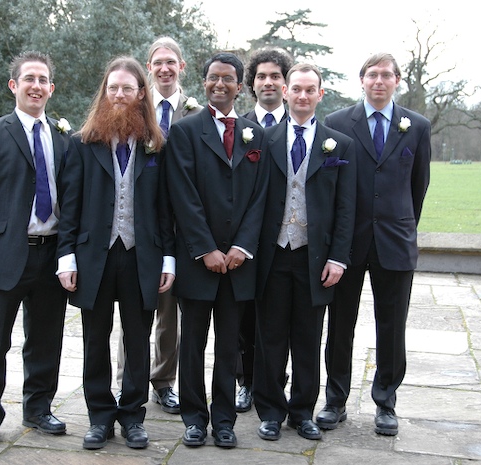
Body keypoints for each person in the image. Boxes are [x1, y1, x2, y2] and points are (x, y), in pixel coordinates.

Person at [56, 56, 174, 450]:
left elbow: (165, 210)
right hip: (96, 256)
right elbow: (70, 208)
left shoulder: (156, 146)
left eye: (127, 88)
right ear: (104, 93)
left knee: (138, 341)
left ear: (141, 93)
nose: (119, 95)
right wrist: (66, 257)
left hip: (142, 256)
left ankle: (133, 417)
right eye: (113, 88)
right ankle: (100, 418)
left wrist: (168, 258)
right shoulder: (82, 144)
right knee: (95, 340)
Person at [0, 50, 70, 447]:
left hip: (51, 254)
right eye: (29, 79)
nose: (36, 86)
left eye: (43, 80)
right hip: (5, 254)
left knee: (45, 339)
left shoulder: (63, 137)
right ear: (14, 85)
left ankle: (38, 409)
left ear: (51, 88)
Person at [320, 52, 431, 436]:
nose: (379, 81)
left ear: (397, 80)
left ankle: (386, 402)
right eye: (372, 75)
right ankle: (335, 400)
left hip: (395, 242)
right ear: (362, 80)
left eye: (386, 75)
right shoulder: (337, 123)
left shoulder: (417, 126)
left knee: (392, 326)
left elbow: (418, 187)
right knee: (340, 325)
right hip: (347, 244)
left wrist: (402, 226)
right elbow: (330, 186)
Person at [166, 52, 267, 449]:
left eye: (228, 79)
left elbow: (260, 198)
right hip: (198, 261)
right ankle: (194, 419)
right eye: (213, 77)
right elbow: (182, 194)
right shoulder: (185, 131)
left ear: (240, 87)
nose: (219, 84)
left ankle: (224, 421)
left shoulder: (255, 135)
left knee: (229, 346)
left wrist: (242, 246)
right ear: (205, 82)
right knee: (192, 345)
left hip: (239, 264)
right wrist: (205, 248)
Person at [253, 63, 356, 442]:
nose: (302, 95)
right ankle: (270, 412)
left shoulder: (338, 145)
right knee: (270, 337)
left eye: (310, 90)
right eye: (296, 88)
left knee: (308, 338)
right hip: (272, 254)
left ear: (320, 95)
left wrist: (338, 257)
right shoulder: (263, 140)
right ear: (285, 92)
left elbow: (346, 208)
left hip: (315, 258)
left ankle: (301, 412)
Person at [115, 37, 202, 415]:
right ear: (148, 68)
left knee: (170, 311)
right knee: (133, 308)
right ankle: (126, 380)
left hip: (183, 226)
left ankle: (163, 381)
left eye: (171, 62)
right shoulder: (131, 107)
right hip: (141, 224)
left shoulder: (197, 114)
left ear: (182, 66)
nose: (164, 68)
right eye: (157, 62)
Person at [236, 46, 294, 413]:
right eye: (261, 76)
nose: (268, 82)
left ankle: (276, 381)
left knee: (280, 319)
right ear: (252, 84)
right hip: (244, 239)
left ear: (285, 84)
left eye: (275, 76)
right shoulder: (238, 125)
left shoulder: (301, 124)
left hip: (286, 240)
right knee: (243, 316)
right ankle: (246, 381)